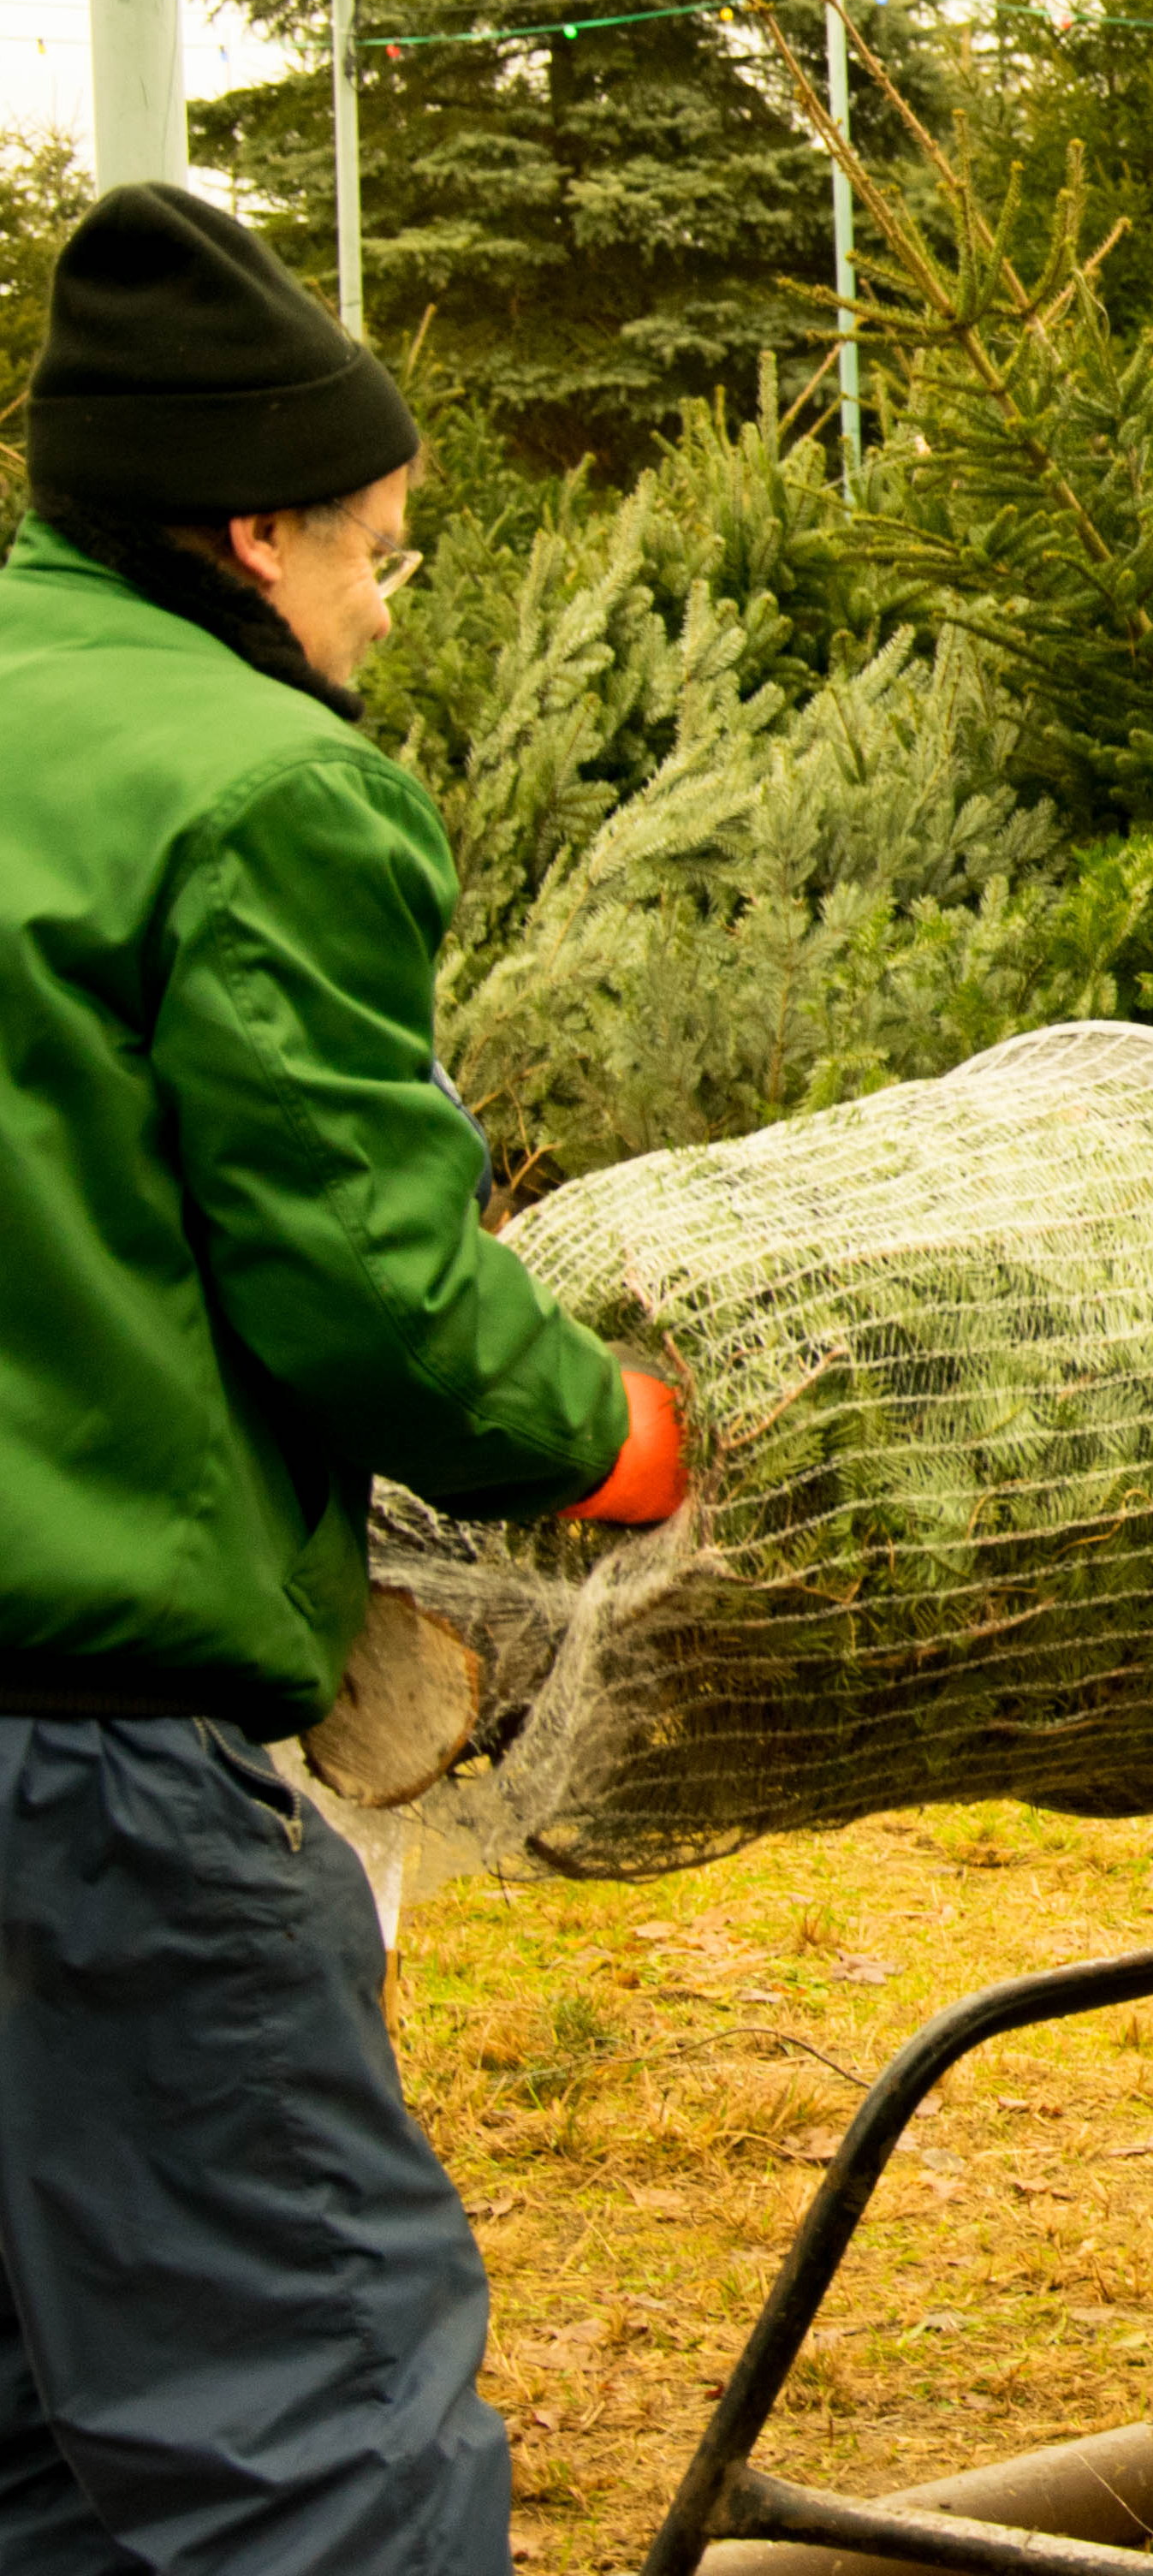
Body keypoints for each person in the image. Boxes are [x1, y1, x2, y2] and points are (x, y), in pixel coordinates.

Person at [0, 183, 685, 2575]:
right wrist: (604, 1431)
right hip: (86, 1759)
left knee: (41, 2428)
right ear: (252, 526)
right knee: (296, 2412)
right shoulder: (267, 786)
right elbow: (361, 1278)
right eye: (381, 553)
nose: (391, 610)